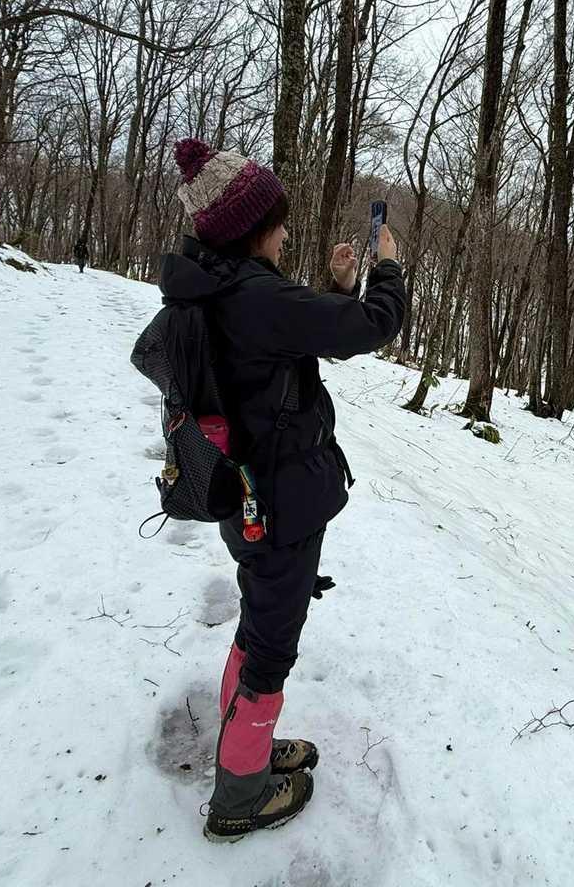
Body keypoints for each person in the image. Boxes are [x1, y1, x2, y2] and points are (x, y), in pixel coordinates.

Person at [157, 138, 407, 842]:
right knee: (271, 648)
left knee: (259, 624)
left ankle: (245, 743)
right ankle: (240, 794)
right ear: (252, 230)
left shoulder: (216, 284)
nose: (287, 234)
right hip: (275, 503)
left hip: (248, 493)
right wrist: (386, 267)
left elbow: (293, 340)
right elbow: (372, 326)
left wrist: (335, 287)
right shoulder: (254, 297)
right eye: (279, 223)